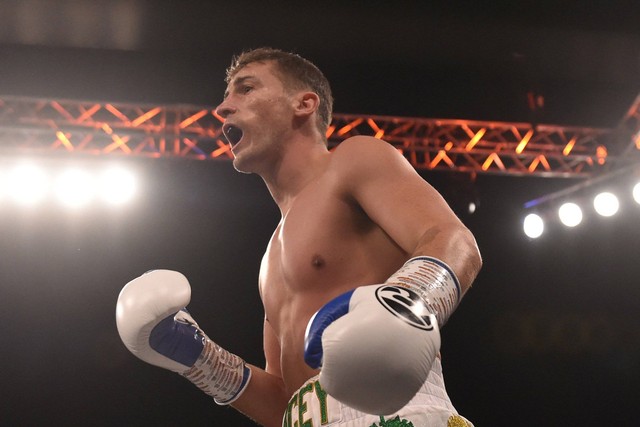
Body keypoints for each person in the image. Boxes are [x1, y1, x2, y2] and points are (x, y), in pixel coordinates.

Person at [116, 47, 482, 427]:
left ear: (304, 104)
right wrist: (201, 359)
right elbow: (285, 404)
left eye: (246, 89)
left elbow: (454, 239)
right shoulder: (270, 258)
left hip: (401, 415)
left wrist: (409, 301)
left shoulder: (353, 160)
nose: (223, 108)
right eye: (227, 96)